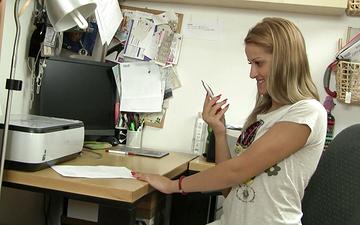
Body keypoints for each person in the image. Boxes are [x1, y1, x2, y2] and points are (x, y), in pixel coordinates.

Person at [132, 17, 327, 225]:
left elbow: (236, 171)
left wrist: (173, 186)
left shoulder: (307, 112)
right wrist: (220, 131)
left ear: (285, 61)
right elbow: (229, 189)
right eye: (250, 64)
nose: (252, 73)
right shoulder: (263, 114)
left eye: (259, 63)